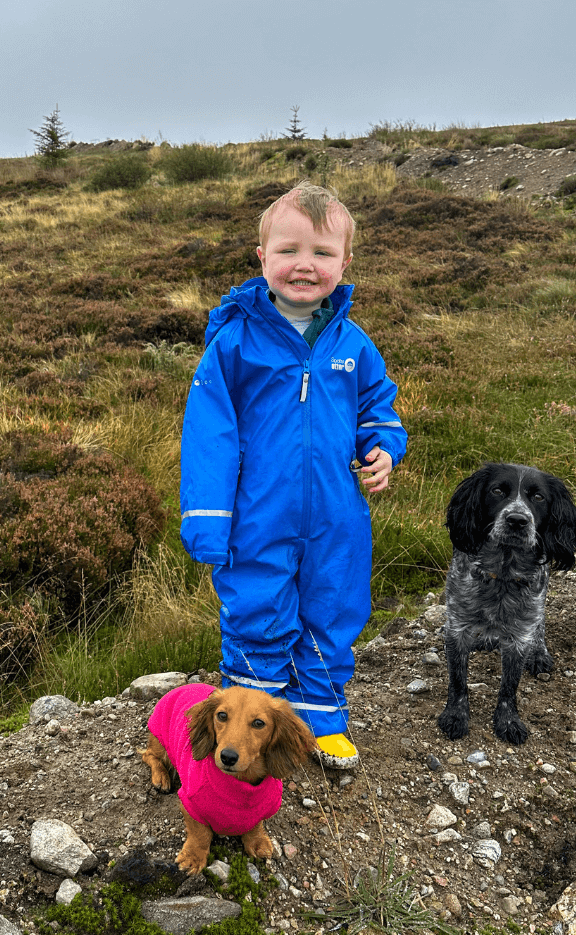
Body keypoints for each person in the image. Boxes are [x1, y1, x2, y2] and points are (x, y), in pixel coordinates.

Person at [179, 182, 407, 768]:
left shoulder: (353, 344)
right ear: (262, 257)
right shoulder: (234, 342)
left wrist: (382, 446)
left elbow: (377, 408)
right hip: (257, 516)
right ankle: (251, 735)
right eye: (289, 251)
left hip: (336, 515)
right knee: (258, 610)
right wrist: (207, 517)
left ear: (345, 263)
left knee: (333, 609)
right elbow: (210, 432)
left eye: (323, 253)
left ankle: (320, 723)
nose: (305, 265)